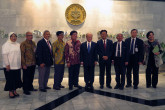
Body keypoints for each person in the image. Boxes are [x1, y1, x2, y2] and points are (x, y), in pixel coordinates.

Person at [2, 32, 22, 98]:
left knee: (16, 79)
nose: (14, 38)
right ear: (9, 37)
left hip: (17, 66)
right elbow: (4, 55)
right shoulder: (6, 45)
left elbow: (20, 55)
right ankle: (10, 92)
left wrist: (20, 64)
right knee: (10, 80)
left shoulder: (18, 44)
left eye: (15, 36)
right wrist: (7, 65)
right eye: (12, 36)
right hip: (9, 66)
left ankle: (14, 91)